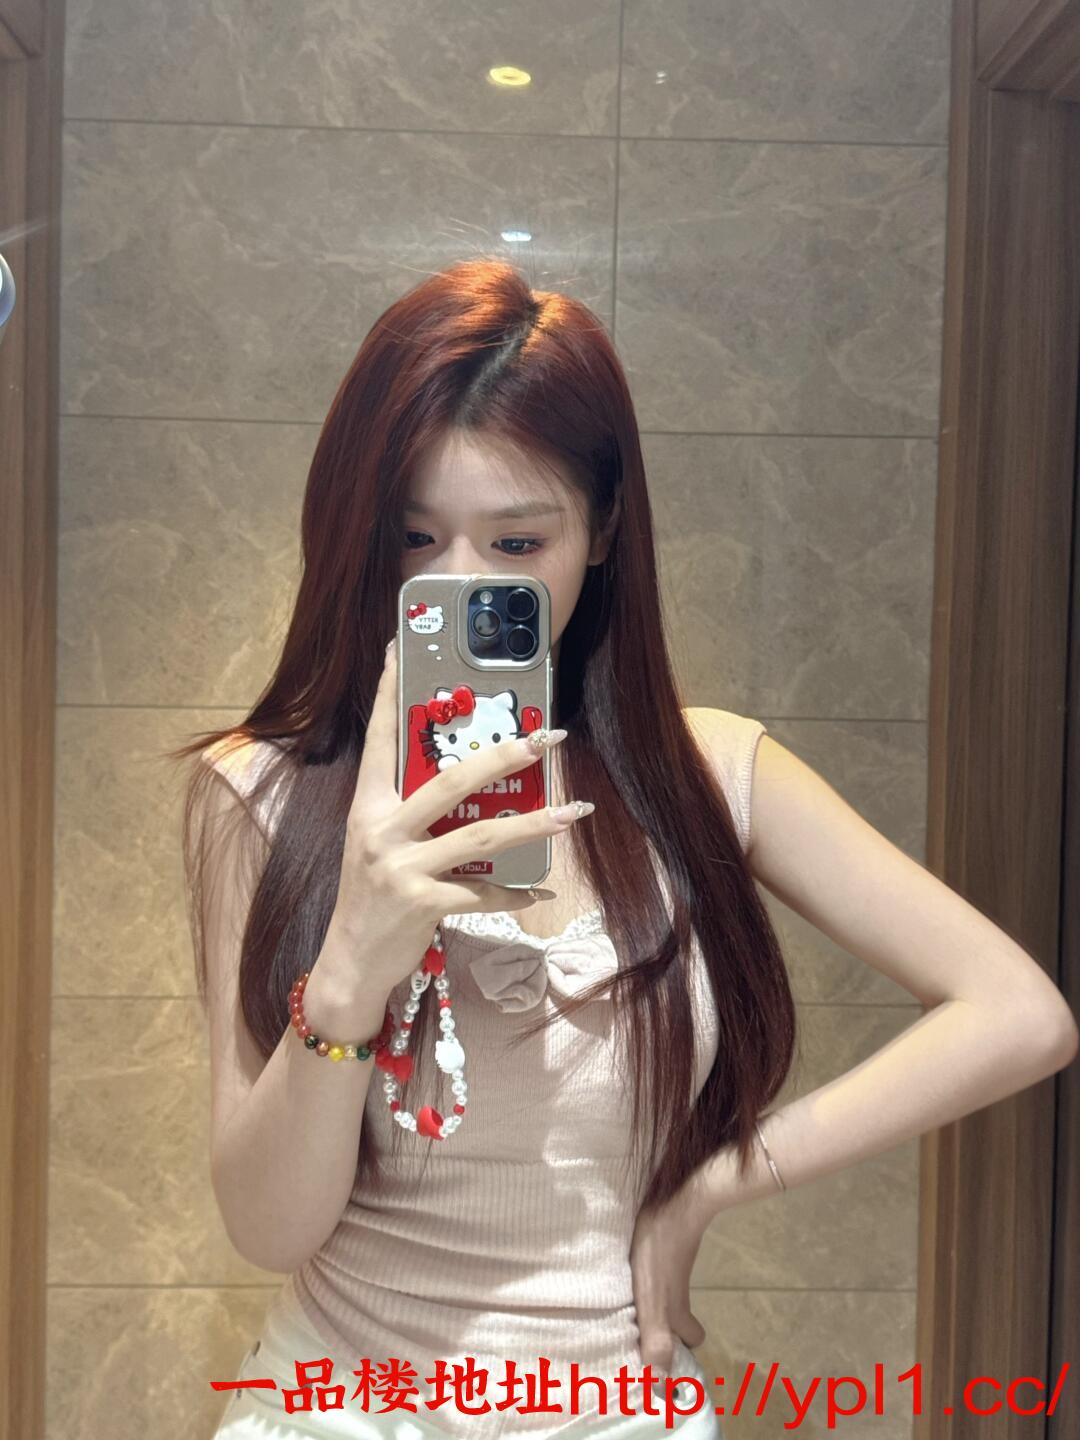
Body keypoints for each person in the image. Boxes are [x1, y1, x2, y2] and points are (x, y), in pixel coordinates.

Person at [174, 258, 1078, 1440]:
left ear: (602, 530)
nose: (459, 585)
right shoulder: (260, 794)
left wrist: (711, 1189)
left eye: (516, 543)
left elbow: (1019, 1012)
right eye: (412, 538)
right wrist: (349, 967)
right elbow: (268, 1229)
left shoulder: (709, 777)